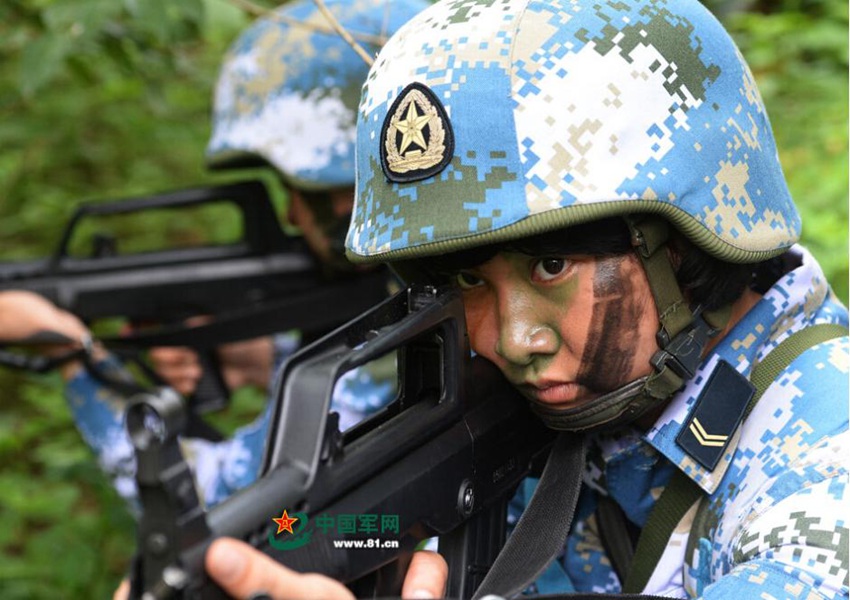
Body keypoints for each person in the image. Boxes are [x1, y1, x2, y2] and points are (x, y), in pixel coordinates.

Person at [197, 0, 849, 598]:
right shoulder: (534, 410)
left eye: (552, 265)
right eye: (469, 281)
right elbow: (337, 526)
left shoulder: (825, 449)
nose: (510, 341)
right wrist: (274, 553)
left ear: (684, 240)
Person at [0, 0, 429, 510]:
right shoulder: (434, 294)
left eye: (309, 190)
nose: (292, 216)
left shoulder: (404, 347)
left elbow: (212, 510)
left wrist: (70, 352)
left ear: (380, 164)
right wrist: (264, 357)